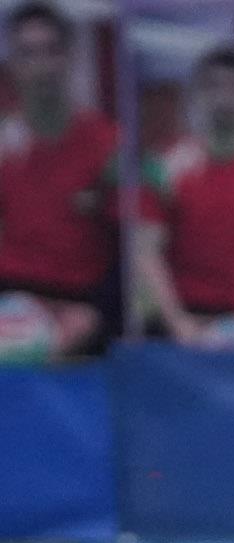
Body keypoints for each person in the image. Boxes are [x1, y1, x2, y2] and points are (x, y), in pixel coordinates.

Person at [135, 45, 234, 345]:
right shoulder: (164, 167)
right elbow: (147, 253)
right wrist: (180, 325)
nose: (226, 97)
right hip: (185, 321)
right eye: (214, 86)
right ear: (195, 96)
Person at [0, 1, 116, 361]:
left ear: (70, 57)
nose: (42, 66)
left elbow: (131, 253)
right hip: (10, 298)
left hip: (83, 306)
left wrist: (95, 317)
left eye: (52, 51)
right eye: (28, 54)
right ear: (13, 65)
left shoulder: (109, 144)